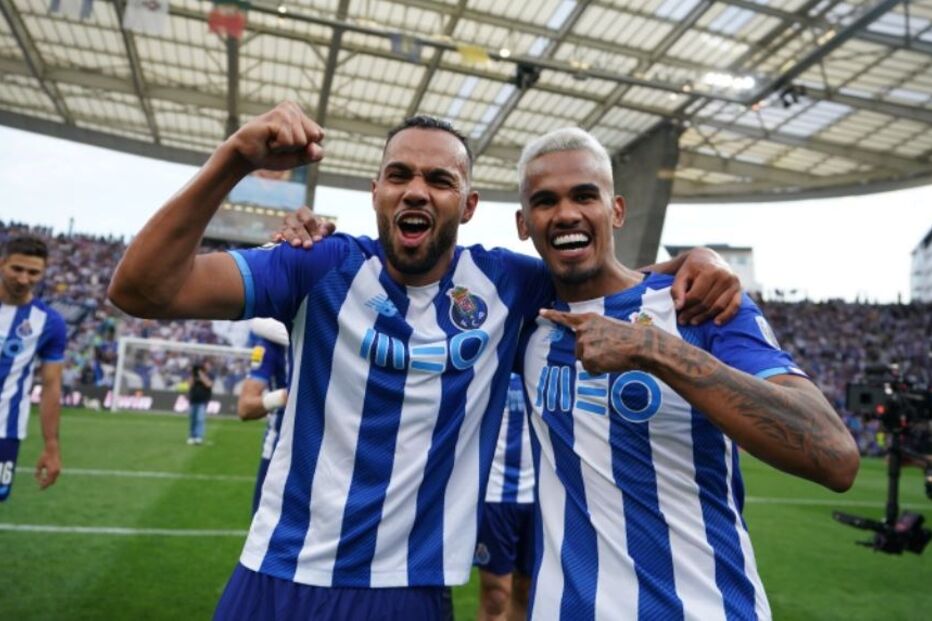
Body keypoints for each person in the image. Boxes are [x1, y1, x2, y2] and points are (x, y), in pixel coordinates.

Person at [108, 102, 740, 620]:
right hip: (274, 576)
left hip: (406, 591)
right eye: (400, 175)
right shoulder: (315, 267)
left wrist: (694, 262)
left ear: (467, 205)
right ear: (376, 190)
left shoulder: (510, 286)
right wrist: (235, 159)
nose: (417, 190)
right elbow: (140, 290)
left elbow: (608, 277)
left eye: (440, 181)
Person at [512, 127, 861, 619]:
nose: (567, 213)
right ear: (524, 223)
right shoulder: (524, 316)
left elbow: (835, 456)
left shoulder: (698, 303)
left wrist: (657, 350)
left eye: (585, 195)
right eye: (545, 201)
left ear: (616, 210)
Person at [0, 235, 67, 501]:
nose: (24, 279)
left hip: (5, 429)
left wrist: (52, 446)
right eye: (17, 269)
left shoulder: (50, 323)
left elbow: (51, 386)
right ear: (2, 263)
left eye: (33, 272)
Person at [475, 373, 534, 621]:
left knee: (527, 591)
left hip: (539, 496)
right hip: (495, 493)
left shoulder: (547, 349)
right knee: (496, 595)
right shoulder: (490, 353)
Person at [237, 319, 289, 514]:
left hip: (328, 449)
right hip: (280, 448)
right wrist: (284, 396)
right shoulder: (270, 343)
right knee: (264, 528)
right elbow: (245, 407)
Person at [187, 359, 214, 445]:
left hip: (203, 400)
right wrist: (193, 373)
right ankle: (192, 436)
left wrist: (201, 374)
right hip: (193, 399)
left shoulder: (210, 375)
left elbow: (209, 384)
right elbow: (189, 384)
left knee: (200, 419)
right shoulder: (194, 374)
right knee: (193, 419)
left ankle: (198, 436)